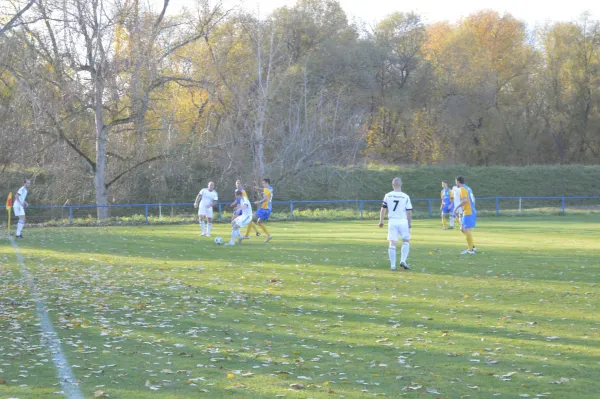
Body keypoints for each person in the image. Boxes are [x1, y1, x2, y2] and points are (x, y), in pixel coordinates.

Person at [378, 177, 412, 271]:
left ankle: (393, 265)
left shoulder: (388, 195)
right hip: (403, 220)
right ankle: (403, 260)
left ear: (393, 185)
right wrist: (409, 222)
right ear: (401, 185)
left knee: (392, 242)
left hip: (392, 221)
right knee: (406, 240)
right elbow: (409, 211)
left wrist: (381, 221)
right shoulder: (405, 196)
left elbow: (383, 209)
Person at [244, 178, 273, 243]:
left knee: (250, 219)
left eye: (263, 183)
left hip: (264, 209)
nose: (262, 184)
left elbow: (265, 199)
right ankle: (268, 235)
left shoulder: (266, 189)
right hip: (269, 209)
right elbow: (265, 191)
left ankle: (246, 235)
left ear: (266, 183)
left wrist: (258, 202)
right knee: (259, 222)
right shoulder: (271, 189)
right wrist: (258, 188)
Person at [456, 176, 477, 254]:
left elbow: (465, 200)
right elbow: (473, 200)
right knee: (463, 228)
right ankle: (472, 247)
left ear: (458, 182)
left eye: (456, 182)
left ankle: (470, 250)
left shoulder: (462, 189)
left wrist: (457, 207)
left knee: (466, 229)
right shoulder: (468, 188)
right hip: (470, 210)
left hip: (468, 211)